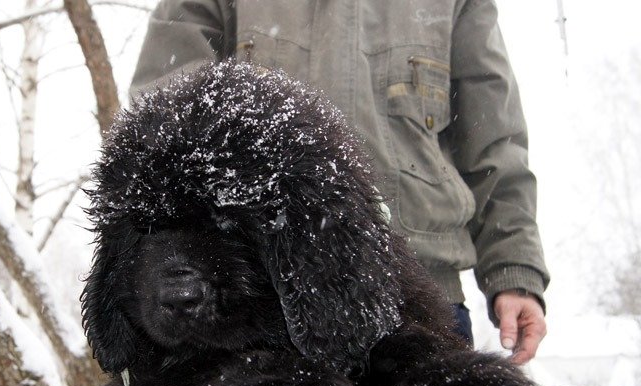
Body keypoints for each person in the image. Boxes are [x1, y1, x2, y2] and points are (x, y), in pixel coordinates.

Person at [128, 0, 549, 365]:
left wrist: (513, 272)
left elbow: (494, 141)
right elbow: (165, 105)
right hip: (259, 307)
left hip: (423, 297)